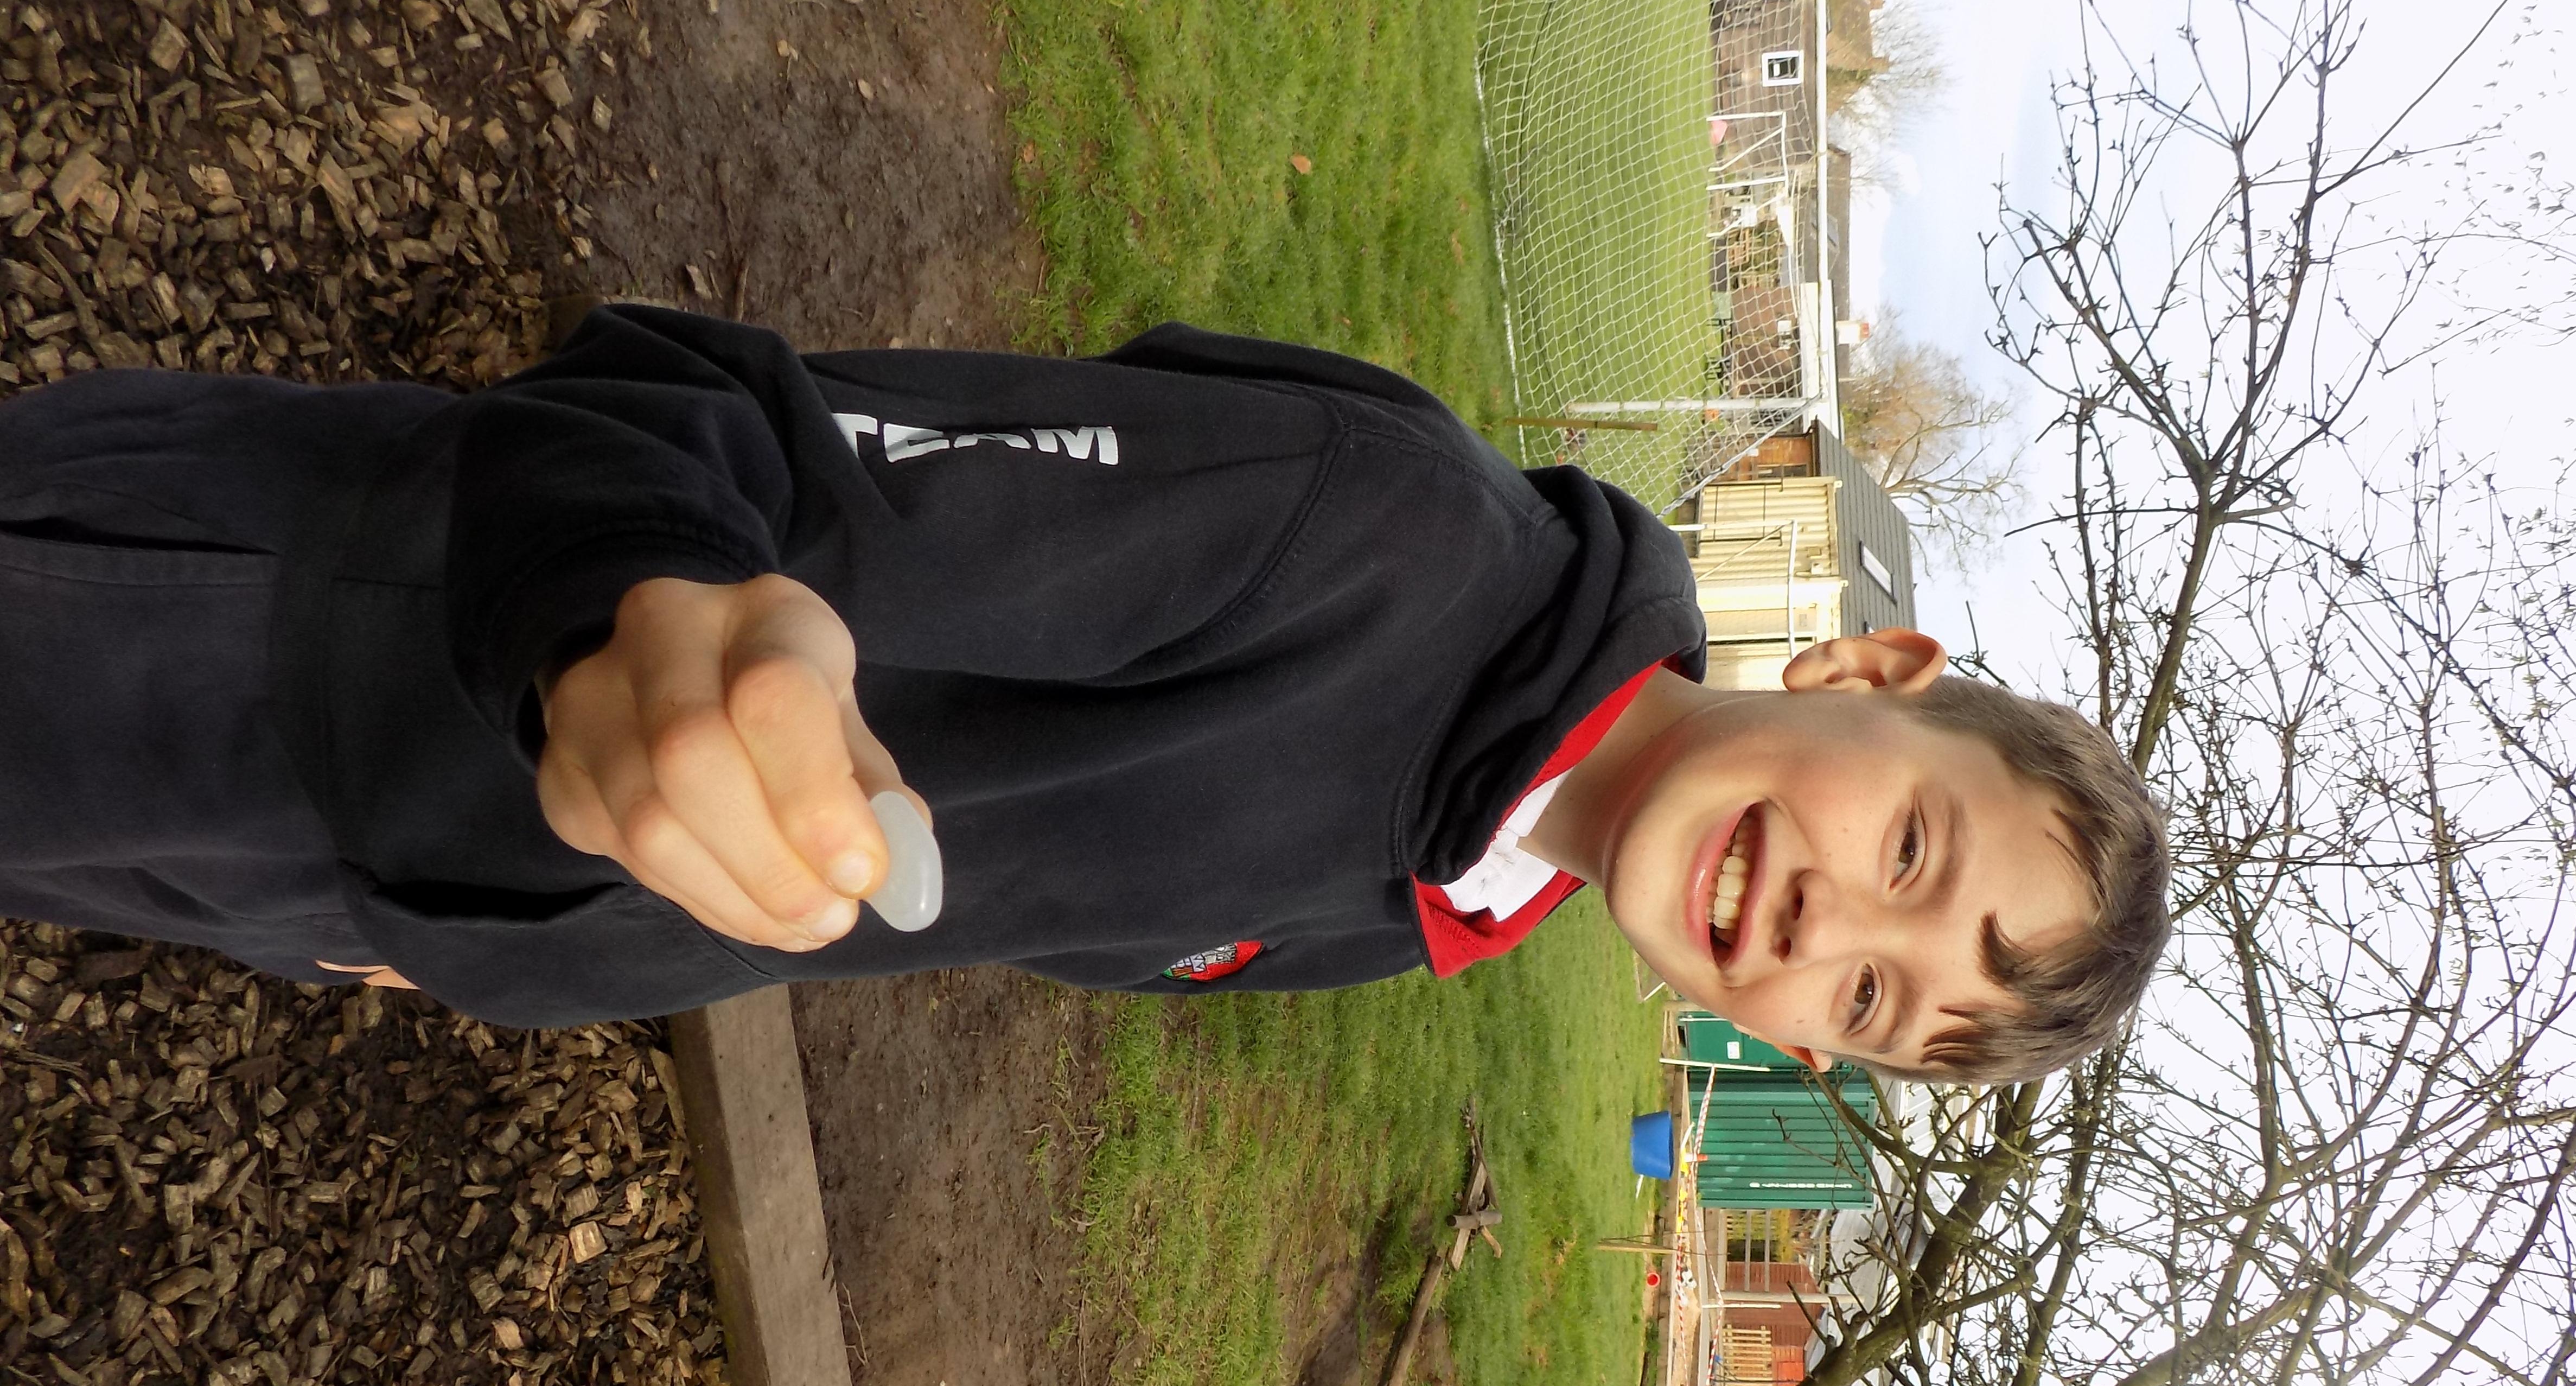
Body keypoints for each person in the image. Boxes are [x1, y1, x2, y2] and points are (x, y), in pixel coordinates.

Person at [0, 305, 2167, 1082]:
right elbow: (674, 414)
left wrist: (513, 945)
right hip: (258, 627)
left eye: (1870, 1003)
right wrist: (626, 617)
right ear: (1870, 669)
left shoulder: (1437, 912)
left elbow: (963, 892)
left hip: (375, 881)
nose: (1829, 928)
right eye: (1912, 852)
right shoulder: (1373, 537)